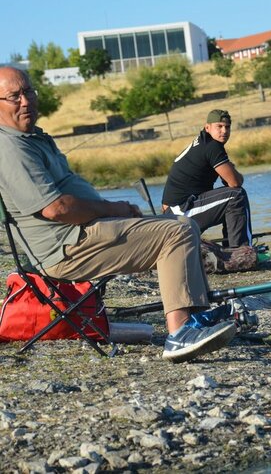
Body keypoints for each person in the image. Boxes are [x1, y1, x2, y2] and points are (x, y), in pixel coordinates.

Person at [0, 67, 236, 363]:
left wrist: (114, 213)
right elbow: (56, 209)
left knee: (184, 223)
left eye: (29, 92)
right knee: (175, 233)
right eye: (14, 96)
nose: (25, 101)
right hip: (68, 248)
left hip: (85, 233)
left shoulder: (32, 138)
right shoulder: (9, 147)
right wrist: (115, 209)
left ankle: (198, 315)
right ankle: (179, 334)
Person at [162, 109, 252, 248]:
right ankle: (241, 251)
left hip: (173, 213)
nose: (224, 131)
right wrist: (233, 170)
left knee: (228, 197)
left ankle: (231, 249)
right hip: (179, 215)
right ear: (207, 127)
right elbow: (235, 182)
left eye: (227, 127)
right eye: (219, 126)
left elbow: (228, 181)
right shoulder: (212, 146)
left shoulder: (203, 142)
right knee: (236, 196)